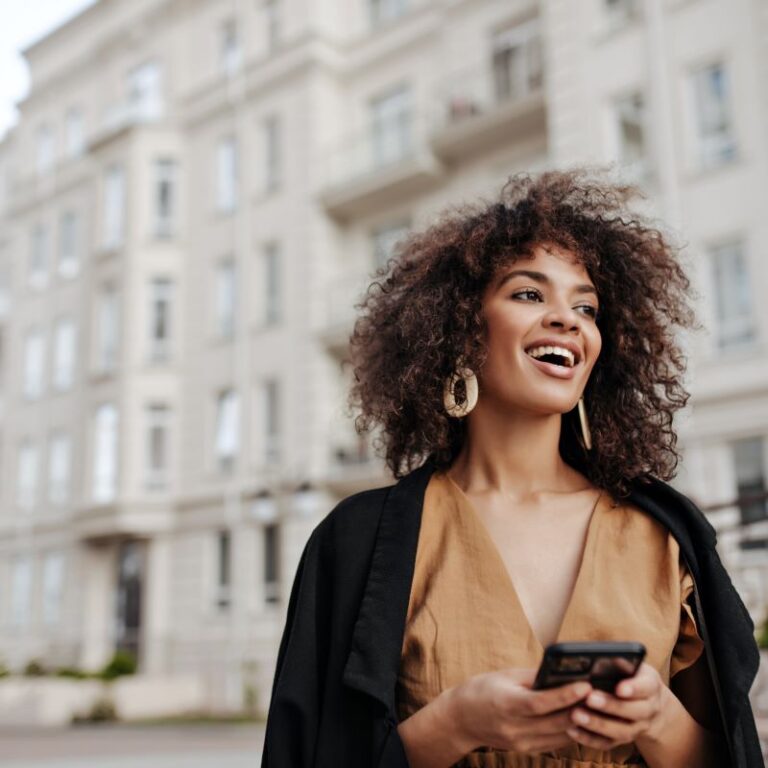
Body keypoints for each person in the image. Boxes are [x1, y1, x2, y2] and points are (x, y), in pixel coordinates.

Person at [260, 170, 763, 767]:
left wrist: (656, 718)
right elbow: (309, 754)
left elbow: (728, 756)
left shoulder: (664, 536)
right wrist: (455, 723)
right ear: (461, 328)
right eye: (529, 294)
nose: (568, 319)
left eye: (586, 306)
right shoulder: (355, 542)